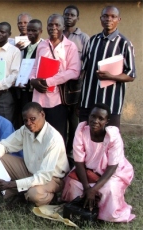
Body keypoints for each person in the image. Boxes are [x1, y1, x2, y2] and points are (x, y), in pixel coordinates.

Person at [62, 103, 135, 222]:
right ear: (89, 116)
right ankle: (86, 207)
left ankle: (103, 213)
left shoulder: (113, 136)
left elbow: (112, 166)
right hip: (88, 170)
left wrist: (94, 190)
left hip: (112, 172)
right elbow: (78, 162)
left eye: (101, 118)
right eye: (93, 116)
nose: (95, 121)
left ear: (107, 121)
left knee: (109, 188)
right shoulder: (81, 130)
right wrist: (87, 188)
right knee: (73, 184)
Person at [0, 102, 69, 206]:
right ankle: (15, 188)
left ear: (42, 115)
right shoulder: (25, 129)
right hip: (29, 170)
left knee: (34, 194)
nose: (29, 123)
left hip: (51, 179)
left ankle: (52, 196)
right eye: (25, 120)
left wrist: (11, 184)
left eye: (32, 119)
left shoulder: (53, 139)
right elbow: (4, 145)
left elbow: (43, 176)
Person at [79, 6, 136, 128]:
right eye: (105, 16)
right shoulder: (92, 41)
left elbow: (131, 75)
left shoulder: (124, 43)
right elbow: (83, 70)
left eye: (113, 16)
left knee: (109, 137)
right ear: (101, 19)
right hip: (88, 100)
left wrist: (111, 76)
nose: (108, 19)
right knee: (85, 135)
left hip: (111, 103)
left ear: (118, 19)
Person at [30, 14, 81, 143]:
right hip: (38, 98)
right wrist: (32, 79)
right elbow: (35, 66)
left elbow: (74, 71)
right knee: (38, 133)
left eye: (57, 25)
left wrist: (49, 81)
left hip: (57, 100)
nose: (53, 27)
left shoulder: (70, 46)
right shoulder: (42, 45)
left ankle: (58, 162)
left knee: (56, 136)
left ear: (63, 27)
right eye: (50, 25)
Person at [63, 5, 90, 161]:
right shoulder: (58, 34)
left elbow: (85, 65)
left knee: (74, 122)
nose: (69, 17)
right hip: (60, 87)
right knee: (60, 120)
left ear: (77, 18)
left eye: (72, 15)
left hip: (76, 86)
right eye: (66, 14)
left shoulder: (83, 38)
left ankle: (72, 153)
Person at [15, 19, 43, 128]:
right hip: (23, 89)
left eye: (34, 30)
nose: (30, 33)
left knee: (35, 119)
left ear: (40, 31)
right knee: (24, 118)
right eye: (29, 30)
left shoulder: (44, 46)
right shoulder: (24, 47)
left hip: (35, 90)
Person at [0, 22, 21, 123]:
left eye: (2, 32)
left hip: (5, 94)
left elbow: (15, 74)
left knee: (6, 123)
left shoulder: (14, 51)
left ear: (9, 34)